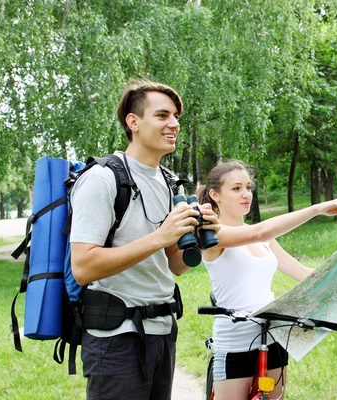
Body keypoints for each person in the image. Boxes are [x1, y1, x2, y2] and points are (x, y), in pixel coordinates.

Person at [70, 79, 219, 400]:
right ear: (133, 122)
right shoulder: (103, 179)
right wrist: (160, 236)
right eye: (163, 115)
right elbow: (83, 267)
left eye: (177, 116)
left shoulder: (170, 184)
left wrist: (200, 236)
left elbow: (174, 266)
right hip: (116, 338)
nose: (175, 124)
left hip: (162, 332)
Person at [197, 160, 337, 400]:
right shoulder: (212, 235)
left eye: (248, 187)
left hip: (272, 337)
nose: (245, 195)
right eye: (236, 189)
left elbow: (302, 273)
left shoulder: (264, 239)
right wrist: (317, 208)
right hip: (234, 343)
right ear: (215, 194)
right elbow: (260, 231)